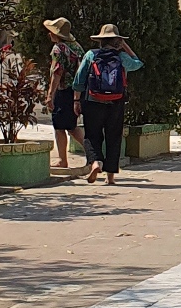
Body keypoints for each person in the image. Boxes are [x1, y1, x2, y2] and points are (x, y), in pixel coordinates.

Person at [76, 24, 142, 185]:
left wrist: (76, 100)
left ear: (100, 41)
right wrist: (125, 46)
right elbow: (137, 63)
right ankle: (110, 176)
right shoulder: (121, 57)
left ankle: (96, 162)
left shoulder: (91, 55)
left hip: (93, 101)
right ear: (117, 41)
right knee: (114, 137)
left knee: (92, 135)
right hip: (116, 102)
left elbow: (79, 80)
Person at [42, 18, 84, 171]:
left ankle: (62, 159)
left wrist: (50, 95)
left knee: (60, 126)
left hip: (63, 90)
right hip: (76, 91)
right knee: (72, 126)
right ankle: (94, 155)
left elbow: (56, 74)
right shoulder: (77, 47)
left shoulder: (58, 49)